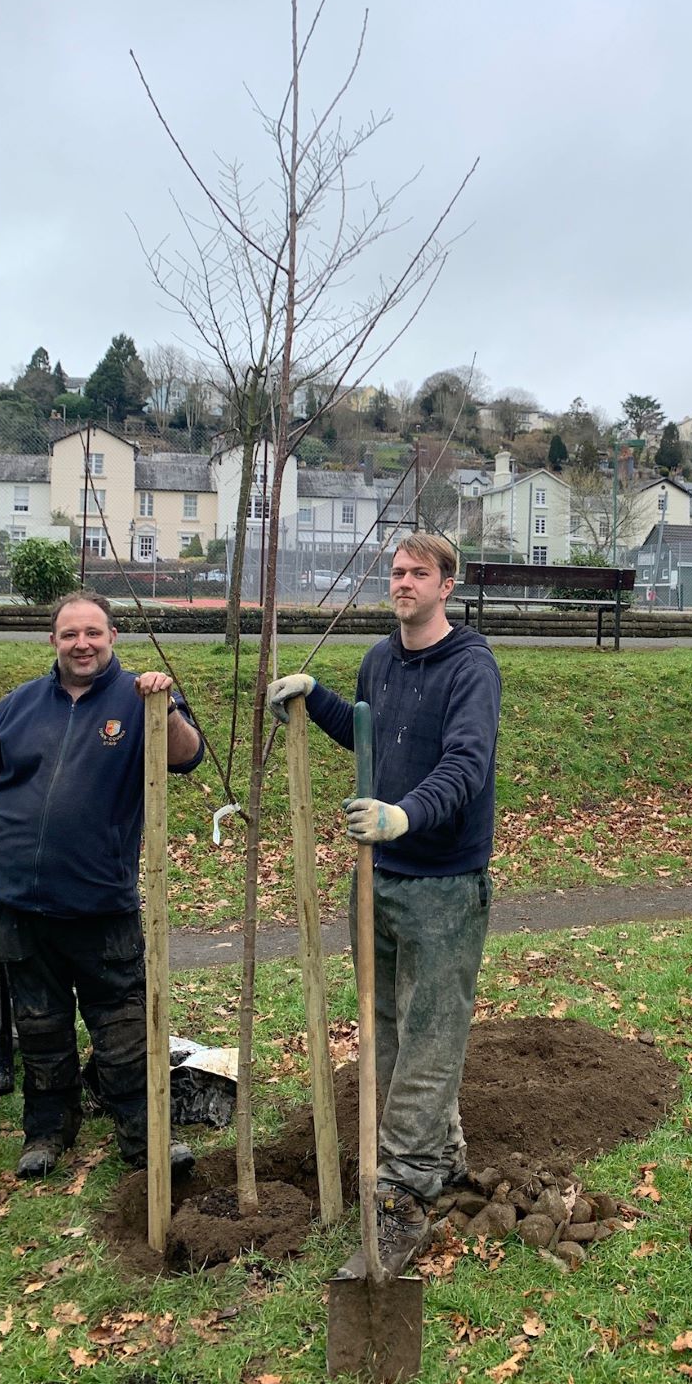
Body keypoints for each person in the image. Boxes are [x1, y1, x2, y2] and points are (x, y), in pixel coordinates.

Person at [268, 533, 501, 1275]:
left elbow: (465, 764)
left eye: (417, 574)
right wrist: (317, 701)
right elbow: (372, 738)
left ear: (447, 585)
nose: (402, 583)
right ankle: (441, 1156)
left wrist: (405, 815)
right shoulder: (379, 658)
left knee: (432, 1035)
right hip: (378, 878)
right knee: (390, 1027)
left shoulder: (471, 666)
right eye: (396, 572)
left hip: (440, 882)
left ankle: (400, 1194)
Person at [0, 592, 204, 1179]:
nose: (82, 644)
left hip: (101, 902)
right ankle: (48, 1131)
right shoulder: (13, 710)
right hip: (20, 902)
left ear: (112, 636)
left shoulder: (140, 701)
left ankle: (145, 1138)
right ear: (53, 640)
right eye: (70, 634)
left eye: (93, 633)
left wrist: (166, 705)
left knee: (124, 1028)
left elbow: (188, 756)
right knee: (40, 1026)